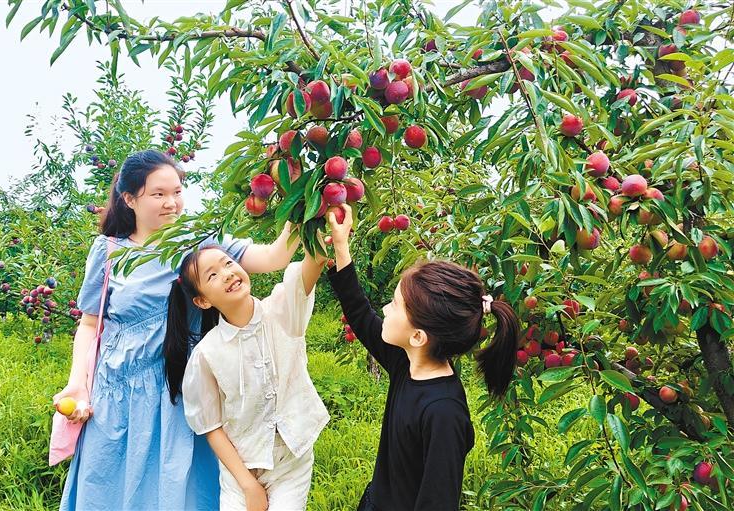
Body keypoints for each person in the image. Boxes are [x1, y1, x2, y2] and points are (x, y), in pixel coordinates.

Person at [54, 149, 300, 510]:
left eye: (178, 191)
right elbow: (91, 323)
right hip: (117, 397)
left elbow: (273, 258)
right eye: (158, 194)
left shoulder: (196, 243)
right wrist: (78, 383)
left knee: (180, 491)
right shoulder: (107, 251)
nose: (172, 203)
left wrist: (301, 201)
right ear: (129, 199)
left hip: (178, 392)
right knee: (110, 491)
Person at [325, 204, 521, 511]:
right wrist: (340, 245)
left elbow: (437, 502)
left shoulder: (444, 413)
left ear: (418, 336)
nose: (385, 310)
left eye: (395, 304)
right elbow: (360, 312)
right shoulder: (406, 362)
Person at [164, 242, 329, 511]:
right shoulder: (208, 354)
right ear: (202, 301)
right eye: (212, 275)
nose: (227, 273)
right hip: (241, 472)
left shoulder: (281, 309)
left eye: (228, 263)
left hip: (291, 463)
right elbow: (210, 425)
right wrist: (248, 485)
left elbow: (310, 268)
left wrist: (319, 228)